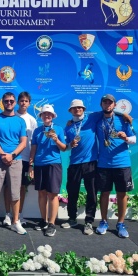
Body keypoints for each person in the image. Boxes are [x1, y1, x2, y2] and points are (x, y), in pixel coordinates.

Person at [0, 92, 27, 237]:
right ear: (2, 102)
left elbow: (23, 142)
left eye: (11, 101)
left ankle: (15, 222)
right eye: (6, 101)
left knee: (15, 193)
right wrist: (3, 155)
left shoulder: (21, 121)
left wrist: (12, 155)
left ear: (15, 103)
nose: (9, 103)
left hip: (16, 160)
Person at [95, 94, 136, 238]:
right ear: (101, 104)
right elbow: (80, 120)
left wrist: (126, 138)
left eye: (110, 103)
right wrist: (70, 122)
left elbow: (134, 139)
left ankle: (120, 223)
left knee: (122, 194)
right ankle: (104, 221)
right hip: (103, 163)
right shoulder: (96, 118)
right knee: (104, 193)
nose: (108, 105)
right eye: (105, 102)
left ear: (114, 104)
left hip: (122, 163)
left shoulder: (123, 119)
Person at [61, 99, 99, 235]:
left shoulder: (92, 118)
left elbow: (108, 110)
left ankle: (89, 221)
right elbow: (65, 147)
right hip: (74, 163)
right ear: (70, 111)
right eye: (74, 108)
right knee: (72, 192)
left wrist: (123, 115)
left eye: (79, 108)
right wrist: (71, 144)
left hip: (91, 162)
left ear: (83, 109)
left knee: (92, 193)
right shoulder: (68, 127)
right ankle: (72, 218)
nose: (77, 110)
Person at [29, 104, 66, 237]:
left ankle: (51, 223)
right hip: (39, 165)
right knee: (41, 194)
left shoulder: (58, 129)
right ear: (41, 116)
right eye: (44, 114)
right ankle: (43, 221)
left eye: (49, 114)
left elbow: (64, 148)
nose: (47, 116)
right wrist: (30, 165)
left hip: (53, 164)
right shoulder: (37, 131)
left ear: (52, 116)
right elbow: (33, 149)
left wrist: (56, 139)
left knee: (53, 194)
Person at [3, 92, 37, 226]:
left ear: (29, 103)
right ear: (18, 102)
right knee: (7, 186)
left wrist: (31, 162)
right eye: (21, 101)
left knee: (21, 187)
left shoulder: (32, 120)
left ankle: (19, 215)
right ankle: (7, 214)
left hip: (25, 158)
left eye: (26, 101)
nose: (23, 103)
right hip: (9, 157)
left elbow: (33, 142)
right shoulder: (11, 115)